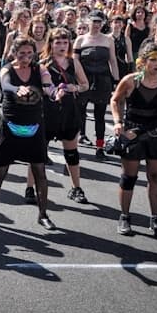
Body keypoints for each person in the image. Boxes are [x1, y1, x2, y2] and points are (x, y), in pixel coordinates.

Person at [0, 36, 56, 231]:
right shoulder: (7, 69)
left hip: (34, 126)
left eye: (30, 53)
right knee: (0, 171)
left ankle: (43, 214)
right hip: (10, 126)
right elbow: (5, 85)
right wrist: (16, 88)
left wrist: (52, 90)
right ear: (14, 53)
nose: (26, 57)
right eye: (22, 54)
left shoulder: (40, 69)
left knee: (40, 171)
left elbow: (48, 84)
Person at [109, 42, 157, 237]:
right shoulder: (130, 81)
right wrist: (118, 122)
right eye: (152, 60)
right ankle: (125, 217)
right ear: (143, 62)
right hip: (131, 133)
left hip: (154, 134)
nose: (156, 64)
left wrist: (138, 131)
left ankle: (155, 219)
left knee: (155, 177)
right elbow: (115, 100)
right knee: (129, 177)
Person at [40, 27, 90, 204]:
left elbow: (85, 85)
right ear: (51, 44)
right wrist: (51, 92)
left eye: (65, 42)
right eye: (58, 42)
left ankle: (76, 187)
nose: (62, 45)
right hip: (48, 110)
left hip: (69, 110)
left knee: (71, 151)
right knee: (38, 152)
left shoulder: (74, 62)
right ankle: (31, 188)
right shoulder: (43, 63)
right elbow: (37, 86)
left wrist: (73, 87)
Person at [74, 10, 119, 158]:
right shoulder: (80, 40)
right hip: (84, 80)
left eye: (99, 22)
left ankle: (99, 147)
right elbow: (75, 61)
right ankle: (79, 138)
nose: (96, 25)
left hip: (103, 80)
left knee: (100, 116)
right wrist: (77, 81)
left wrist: (116, 81)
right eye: (94, 21)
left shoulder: (108, 40)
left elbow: (112, 60)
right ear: (88, 22)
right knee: (80, 112)